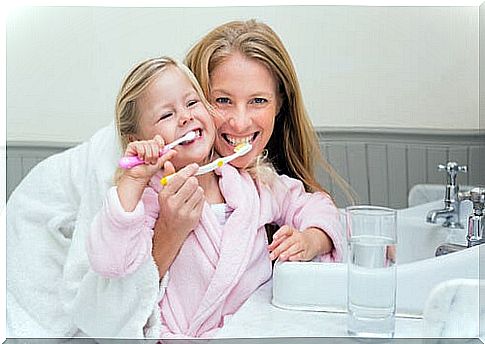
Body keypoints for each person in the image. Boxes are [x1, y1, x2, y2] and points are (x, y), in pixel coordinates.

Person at [86, 55, 342, 338]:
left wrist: (311, 239)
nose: (185, 116)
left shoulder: (254, 184)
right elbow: (111, 262)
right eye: (166, 115)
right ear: (138, 140)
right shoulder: (149, 198)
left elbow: (317, 205)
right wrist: (133, 181)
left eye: (192, 102)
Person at [151, 19, 352, 278]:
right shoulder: (157, 177)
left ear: (280, 104)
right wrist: (170, 230)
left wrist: (310, 240)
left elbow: (317, 208)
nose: (240, 122)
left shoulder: (264, 184)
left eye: (258, 101)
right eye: (222, 100)